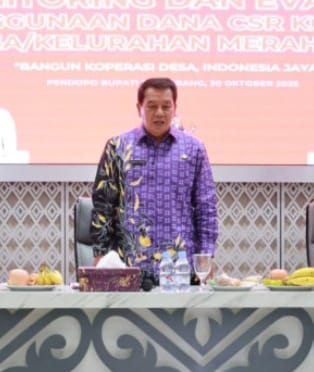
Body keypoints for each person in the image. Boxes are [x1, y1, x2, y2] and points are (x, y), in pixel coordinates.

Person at [90, 77, 218, 282]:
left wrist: (205, 256)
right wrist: (100, 256)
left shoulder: (194, 149)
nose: (159, 113)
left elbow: (206, 208)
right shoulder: (118, 147)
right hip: (127, 269)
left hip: (179, 269)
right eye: (152, 106)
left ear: (175, 109)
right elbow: (102, 207)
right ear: (139, 108)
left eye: (166, 106)